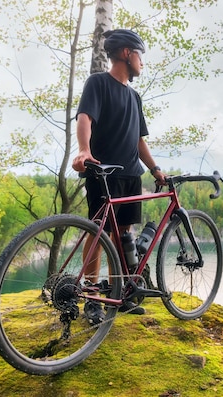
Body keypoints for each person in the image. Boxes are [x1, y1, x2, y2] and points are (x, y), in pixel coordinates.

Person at [72, 29, 167, 324]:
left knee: (123, 235)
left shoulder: (134, 96)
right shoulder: (98, 83)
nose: (143, 63)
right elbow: (85, 117)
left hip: (130, 175)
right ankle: (90, 298)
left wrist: (154, 169)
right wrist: (84, 151)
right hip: (103, 172)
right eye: (141, 55)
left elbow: (139, 140)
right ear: (127, 53)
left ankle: (120, 294)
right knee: (97, 231)